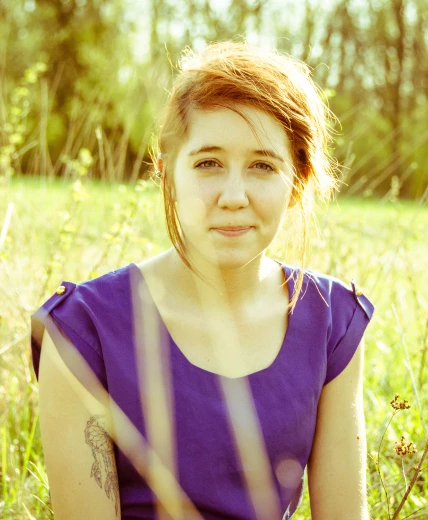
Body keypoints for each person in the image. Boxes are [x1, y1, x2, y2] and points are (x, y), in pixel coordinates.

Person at [30, 41, 375, 520]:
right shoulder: (83, 331)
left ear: (297, 181)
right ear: (167, 172)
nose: (233, 195)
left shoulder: (331, 322)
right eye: (208, 163)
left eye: (262, 166)